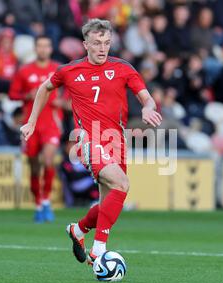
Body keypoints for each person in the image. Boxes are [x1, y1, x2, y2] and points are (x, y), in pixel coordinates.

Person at [20, 19, 162, 265]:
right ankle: (99, 251)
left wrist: (148, 108)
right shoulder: (70, 70)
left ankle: (78, 230)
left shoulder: (124, 68)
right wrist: (32, 121)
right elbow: (44, 88)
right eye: (97, 43)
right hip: (87, 138)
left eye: (106, 43)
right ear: (85, 44)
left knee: (110, 202)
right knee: (122, 183)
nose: (102, 48)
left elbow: (147, 98)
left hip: (115, 141)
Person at [9, 35, 63, 223]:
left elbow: (72, 92)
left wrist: (62, 103)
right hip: (31, 125)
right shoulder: (24, 71)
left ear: (50, 48)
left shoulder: (58, 69)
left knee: (48, 160)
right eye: (39, 46)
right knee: (33, 167)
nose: (43, 49)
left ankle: (47, 200)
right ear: (35, 48)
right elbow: (12, 94)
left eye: (46, 45)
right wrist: (26, 95)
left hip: (51, 124)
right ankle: (38, 203)